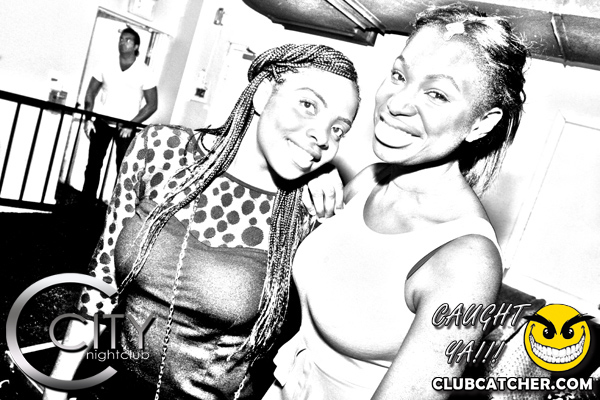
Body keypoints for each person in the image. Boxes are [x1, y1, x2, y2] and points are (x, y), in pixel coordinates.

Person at [43, 44, 360, 400]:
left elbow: (320, 343)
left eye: (338, 129)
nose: (323, 136)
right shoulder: (159, 150)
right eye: (308, 105)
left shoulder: (304, 212)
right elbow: (104, 279)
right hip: (111, 387)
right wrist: (57, 387)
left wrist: (328, 223)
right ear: (263, 93)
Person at [262, 3, 529, 400]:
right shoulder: (368, 182)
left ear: (481, 123)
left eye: (436, 94)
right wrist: (307, 180)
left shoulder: (467, 262)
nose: (397, 103)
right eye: (399, 75)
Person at [82, 26, 159, 199]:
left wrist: (131, 124)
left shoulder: (145, 71)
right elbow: (90, 93)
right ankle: (86, 205)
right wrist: (88, 119)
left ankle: (117, 207)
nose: (123, 42)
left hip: (126, 128)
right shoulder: (106, 64)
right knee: (93, 165)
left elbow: (152, 104)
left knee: (123, 170)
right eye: (121, 39)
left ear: (136, 46)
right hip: (102, 123)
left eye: (128, 40)